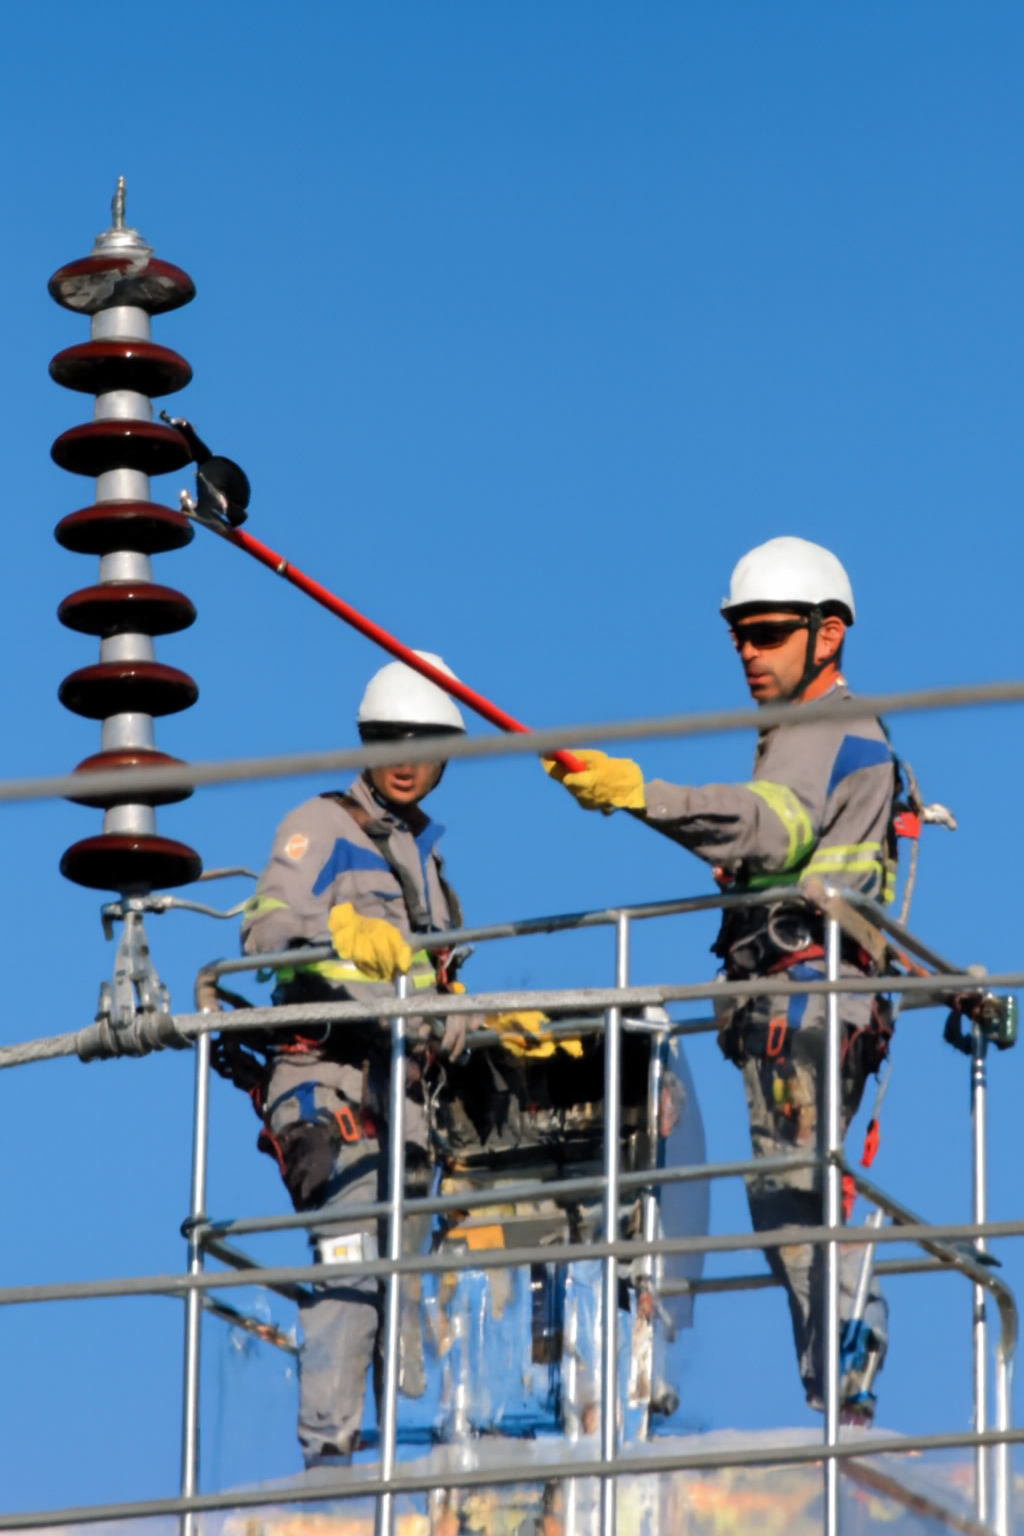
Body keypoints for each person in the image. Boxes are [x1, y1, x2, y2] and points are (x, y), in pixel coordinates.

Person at [544, 536, 896, 1423]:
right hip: (802, 1001)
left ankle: (845, 1397)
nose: (748, 651)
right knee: (792, 1204)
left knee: (795, 1201)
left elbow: (769, 825)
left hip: (801, 1003)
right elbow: (789, 850)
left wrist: (640, 793)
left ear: (830, 635)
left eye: (769, 632)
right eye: (739, 634)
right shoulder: (811, 734)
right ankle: (841, 1396)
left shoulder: (824, 727)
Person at [215, 652, 483, 1466]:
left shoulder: (428, 867)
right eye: (388, 740)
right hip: (325, 1086)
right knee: (348, 1269)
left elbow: (435, 988)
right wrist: (336, 934)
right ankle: (327, 1467)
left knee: (402, 1298)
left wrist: (465, 1022)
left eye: (422, 742)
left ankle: (403, 1469)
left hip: (402, 1106)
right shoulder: (322, 826)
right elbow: (263, 931)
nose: (404, 759)